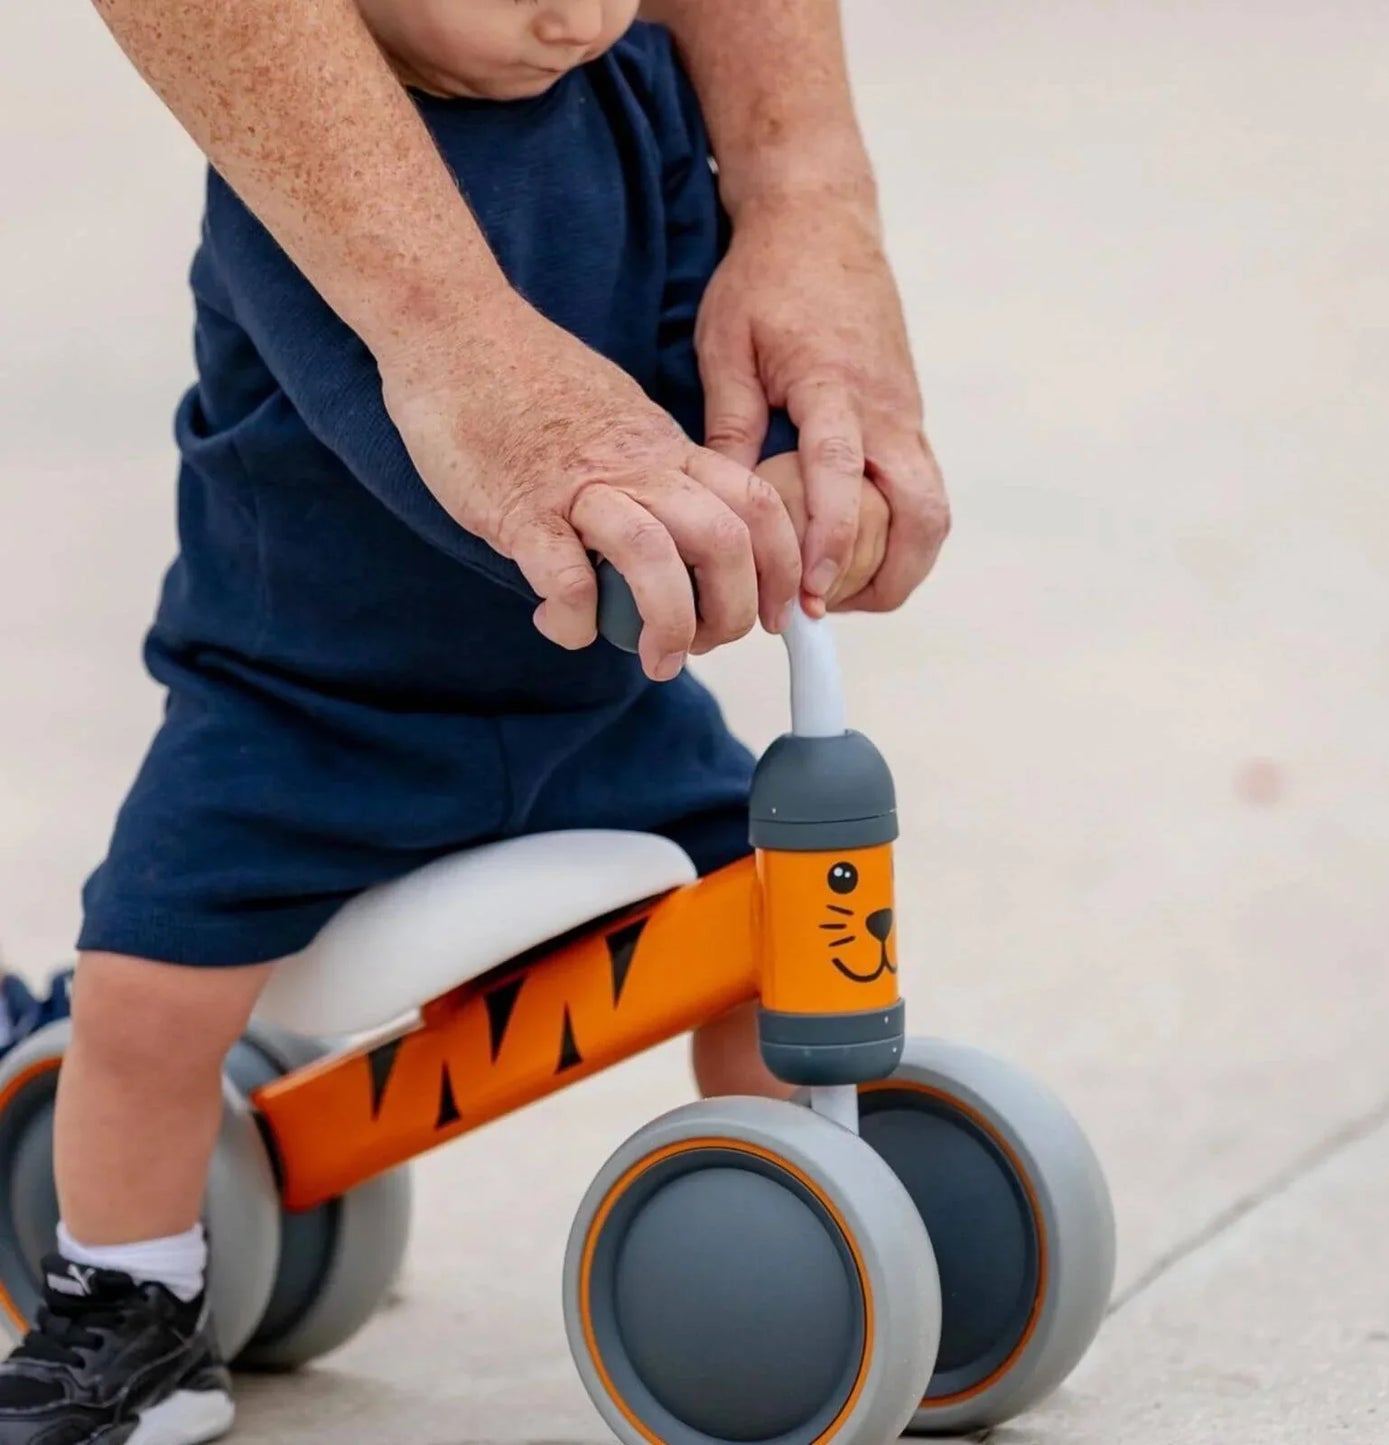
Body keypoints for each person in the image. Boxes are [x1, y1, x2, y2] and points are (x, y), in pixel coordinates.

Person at [0, 2, 948, 1442]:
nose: (570, 11)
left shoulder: (623, 90)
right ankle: (122, 1298)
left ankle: (815, 1194)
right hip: (310, 705)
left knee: (760, 921)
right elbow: (408, 434)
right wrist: (631, 539)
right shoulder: (323, 174)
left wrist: (802, 473)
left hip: (590, 700)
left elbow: (703, 354)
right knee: (146, 993)